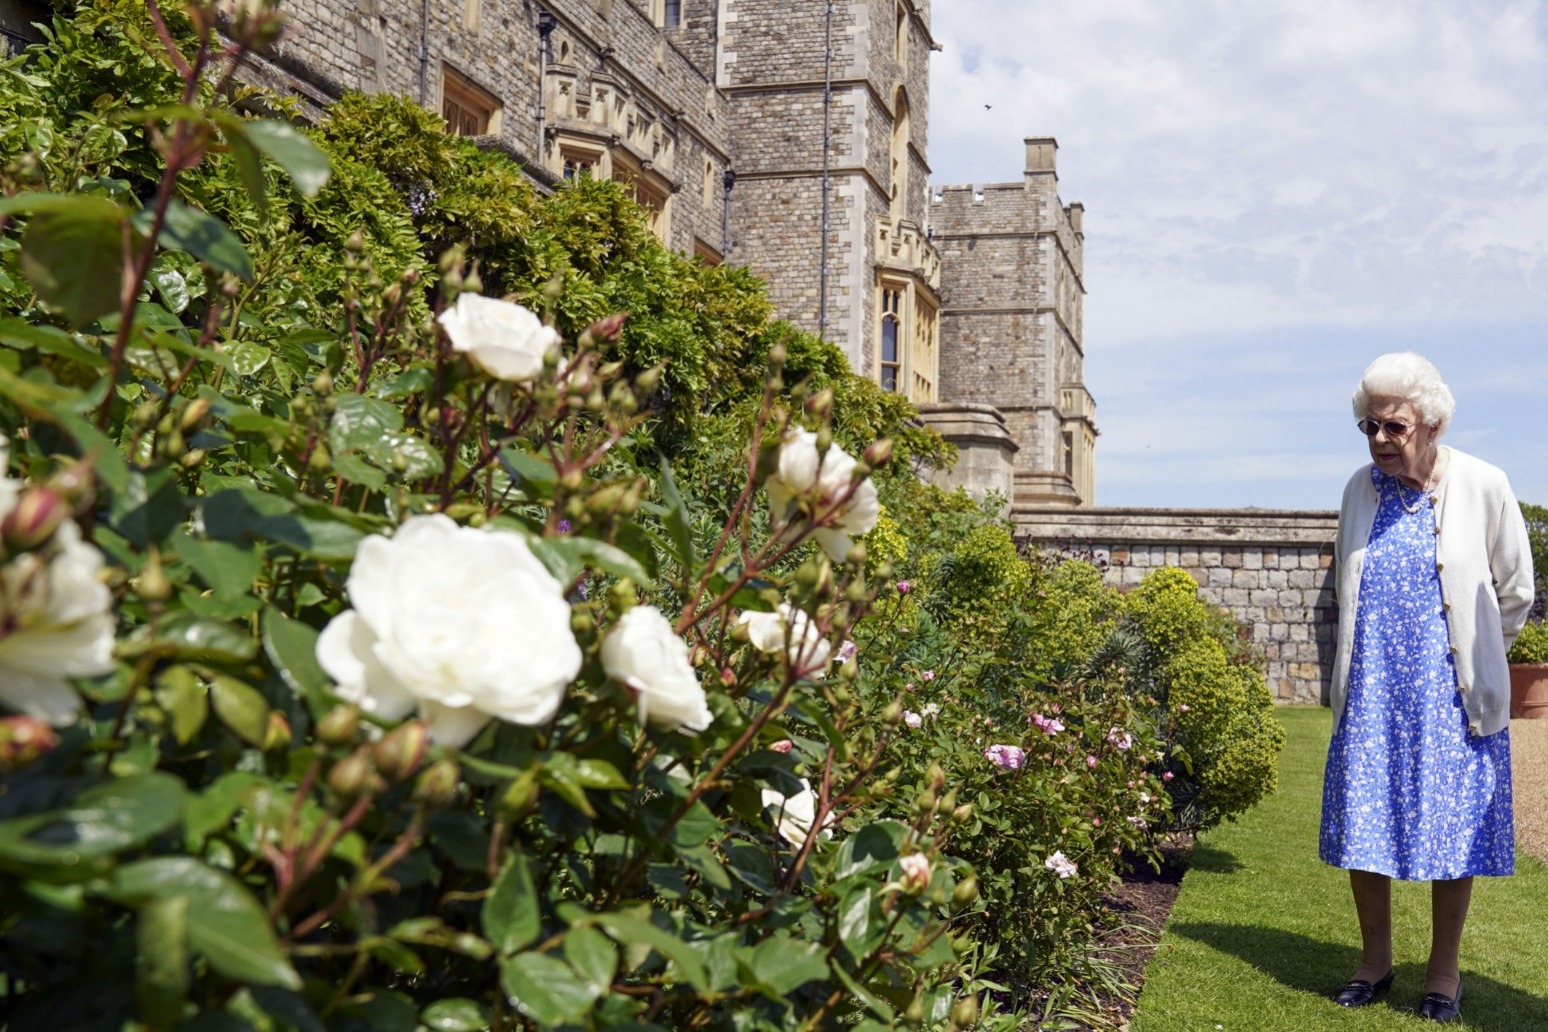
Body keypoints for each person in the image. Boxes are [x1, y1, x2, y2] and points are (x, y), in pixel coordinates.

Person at [1320, 352, 1533, 1023]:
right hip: (1373, 694)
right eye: (1370, 426)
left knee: (1453, 835)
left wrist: (1470, 655)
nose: (1380, 439)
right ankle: (1374, 961)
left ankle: (1444, 971)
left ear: (1431, 423)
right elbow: (1346, 590)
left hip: (1451, 698)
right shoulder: (1358, 491)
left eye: (1395, 426)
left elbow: (1516, 592)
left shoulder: (1484, 484)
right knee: (1365, 826)